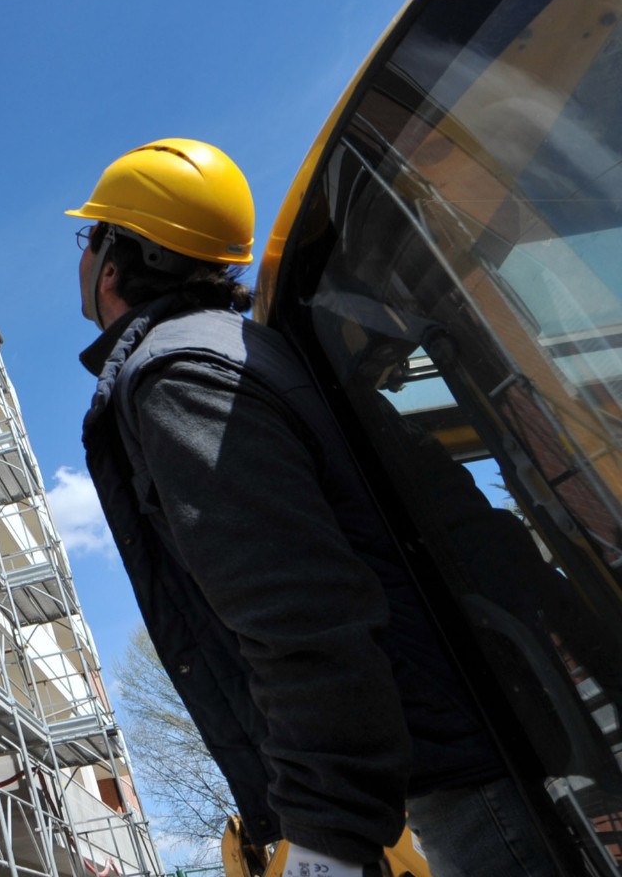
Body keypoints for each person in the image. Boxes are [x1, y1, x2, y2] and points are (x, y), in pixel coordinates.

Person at [68, 139, 552, 877]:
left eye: (89, 234)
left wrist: (325, 843)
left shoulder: (179, 375)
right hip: (482, 732)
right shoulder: (259, 350)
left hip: (455, 776)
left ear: (113, 259)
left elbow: (301, 612)